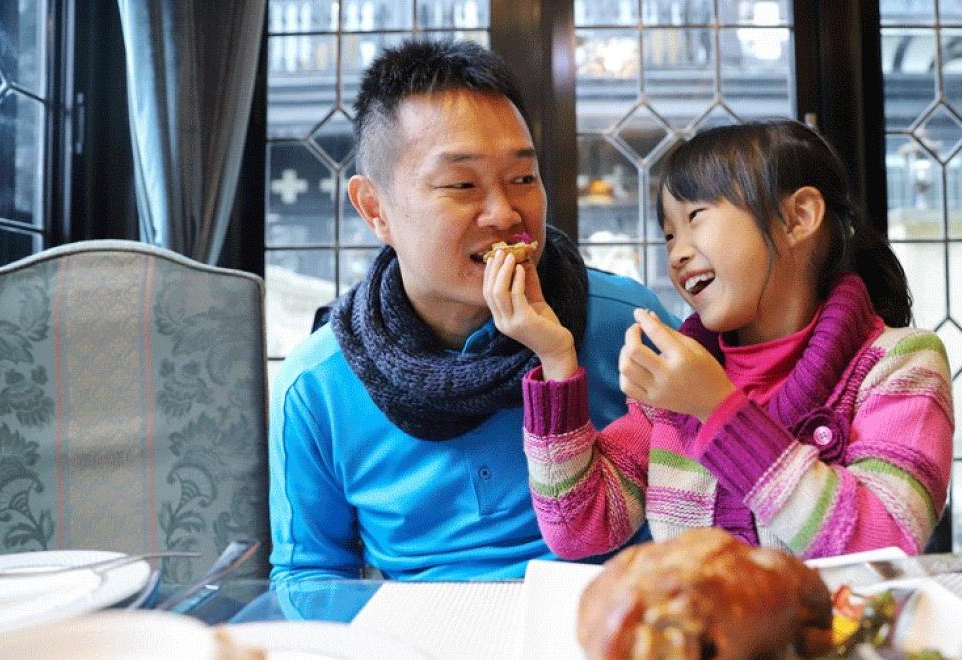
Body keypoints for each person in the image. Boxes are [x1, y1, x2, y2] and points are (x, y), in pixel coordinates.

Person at [268, 39, 675, 582]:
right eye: (461, 184)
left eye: (523, 179)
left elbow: (710, 504)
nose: (506, 213)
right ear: (374, 208)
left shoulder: (629, 326)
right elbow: (309, 574)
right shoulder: (317, 385)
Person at [485, 120, 953, 559]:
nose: (678, 252)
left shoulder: (900, 363)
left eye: (696, 217)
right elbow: (580, 529)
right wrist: (555, 356)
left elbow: (887, 541)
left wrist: (716, 410)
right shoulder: (674, 386)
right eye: (669, 234)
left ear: (798, 217)